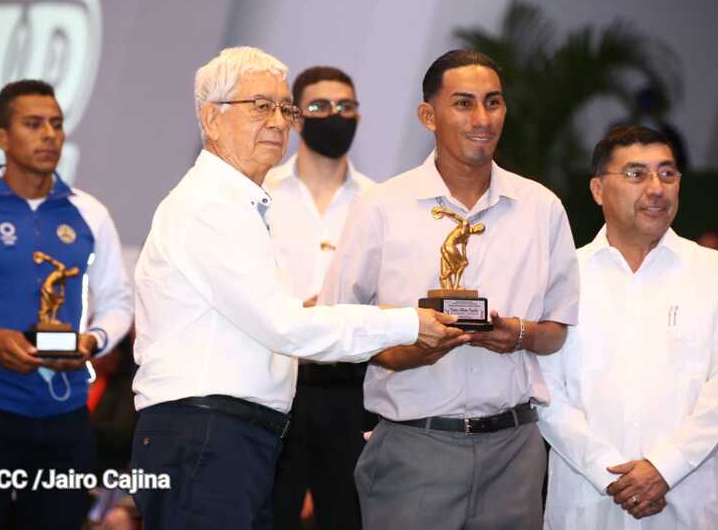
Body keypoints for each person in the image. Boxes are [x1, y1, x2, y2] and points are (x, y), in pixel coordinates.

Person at [130, 46, 463, 530]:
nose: (278, 122)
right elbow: (284, 325)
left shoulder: (240, 204)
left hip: (230, 434)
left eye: (284, 108)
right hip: (206, 433)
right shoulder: (208, 207)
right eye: (259, 106)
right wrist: (406, 323)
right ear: (211, 118)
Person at [318, 49, 580, 529]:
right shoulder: (381, 206)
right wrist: (403, 351)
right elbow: (338, 323)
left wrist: (518, 334)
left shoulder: (541, 208)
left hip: (514, 452)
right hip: (414, 447)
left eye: (493, 102)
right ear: (428, 115)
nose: (482, 118)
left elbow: (557, 329)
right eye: (463, 103)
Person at [0, 79, 133, 529]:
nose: (49, 134)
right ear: (1, 136)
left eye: (56, 124)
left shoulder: (90, 213)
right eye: (33, 124)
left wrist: (92, 341)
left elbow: (118, 302)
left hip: (66, 419)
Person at [538, 125, 718, 529]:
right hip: (590, 504)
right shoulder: (562, 274)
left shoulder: (714, 272)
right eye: (636, 174)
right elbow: (545, 392)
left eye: (667, 174)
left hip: (691, 504)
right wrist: (612, 473)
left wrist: (664, 468)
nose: (657, 188)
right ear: (598, 190)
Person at [264, 66, 375, 530]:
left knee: (348, 516)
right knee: (266, 514)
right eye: (320, 106)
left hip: (350, 386)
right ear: (295, 117)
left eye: (346, 107)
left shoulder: (377, 201)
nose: (335, 115)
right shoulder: (262, 192)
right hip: (275, 380)